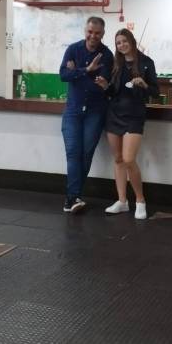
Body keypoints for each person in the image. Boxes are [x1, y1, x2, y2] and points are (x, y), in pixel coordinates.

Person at [96, 28, 159, 220]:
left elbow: (155, 92)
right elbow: (113, 92)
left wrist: (144, 84)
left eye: (124, 41)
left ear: (131, 41)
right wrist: (105, 87)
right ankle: (122, 201)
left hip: (134, 116)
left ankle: (140, 201)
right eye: (118, 42)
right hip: (114, 114)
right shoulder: (116, 63)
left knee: (129, 159)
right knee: (118, 159)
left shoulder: (147, 62)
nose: (121, 45)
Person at [59, 16, 113, 213]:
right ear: (85, 30)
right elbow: (63, 75)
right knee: (73, 153)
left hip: (95, 112)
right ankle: (73, 197)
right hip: (73, 111)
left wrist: (76, 73)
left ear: (103, 34)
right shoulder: (73, 49)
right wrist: (87, 70)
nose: (93, 36)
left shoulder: (107, 55)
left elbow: (100, 86)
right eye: (90, 32)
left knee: (86, 154)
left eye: (97, 33)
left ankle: (73, 197)